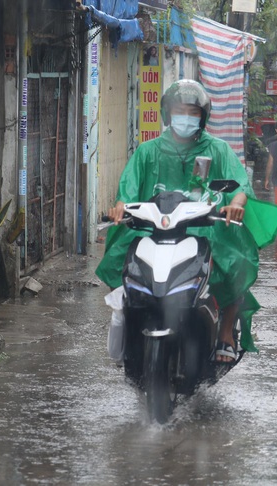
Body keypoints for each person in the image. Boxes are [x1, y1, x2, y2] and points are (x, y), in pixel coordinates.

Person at [95, 79, 260, 363]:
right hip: (154, 227)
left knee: (236, 260)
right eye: (179, 111)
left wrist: (234, 205)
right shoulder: (148, 151)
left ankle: (225, 330)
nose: (185, 117)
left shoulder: (217, 149)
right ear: (168, 114)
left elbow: (240, 187)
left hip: (204, 227)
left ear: (203, 117)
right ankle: (128, 312)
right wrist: (119, 209)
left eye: (193, 112)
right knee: (116, 259)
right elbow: (127, 191)